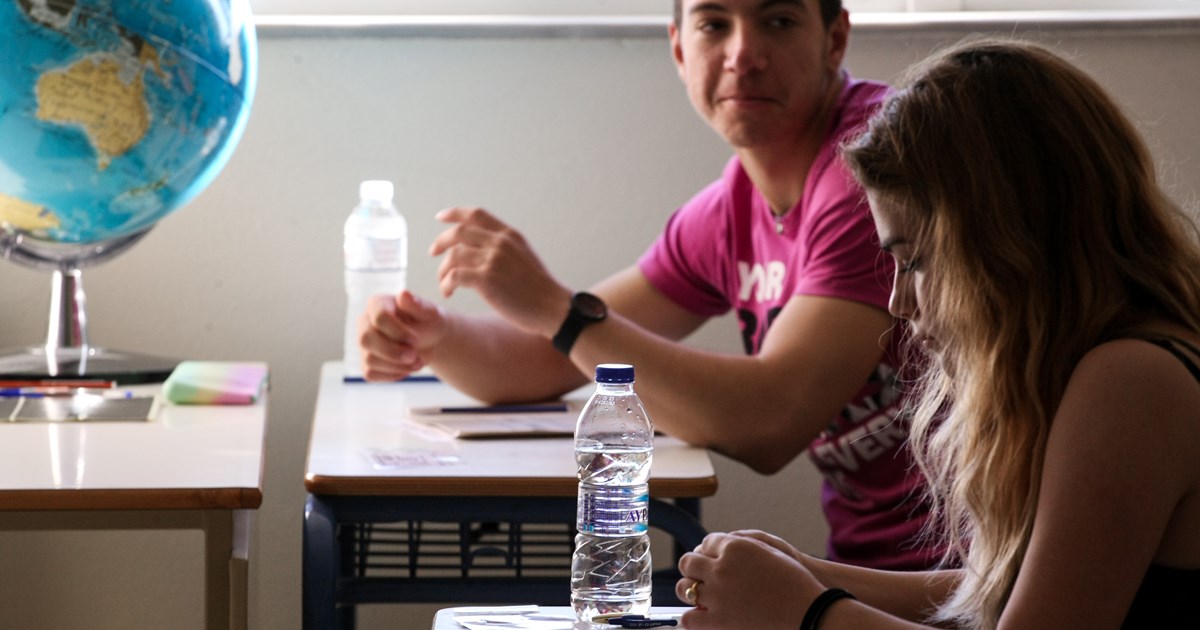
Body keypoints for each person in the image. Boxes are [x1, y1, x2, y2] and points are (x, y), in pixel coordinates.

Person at [359, 0, 939, 570]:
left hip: (961, 578)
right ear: (680, 49)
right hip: (872, 567)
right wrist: (429, 335)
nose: (743, 54)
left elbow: (768, 420)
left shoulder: (870, 171)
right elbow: (547, 357)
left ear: (834, 39)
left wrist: (559, 310)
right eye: (714, 23)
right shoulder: (728, 211)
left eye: (779, 21)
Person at [673, 37, 1200, 629]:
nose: (899, 302)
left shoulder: (1133, 382)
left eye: (917, 259)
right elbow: (1004, 589)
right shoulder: (1107, 367)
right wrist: (806, 572)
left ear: (1009, 242)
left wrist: (807, 612)